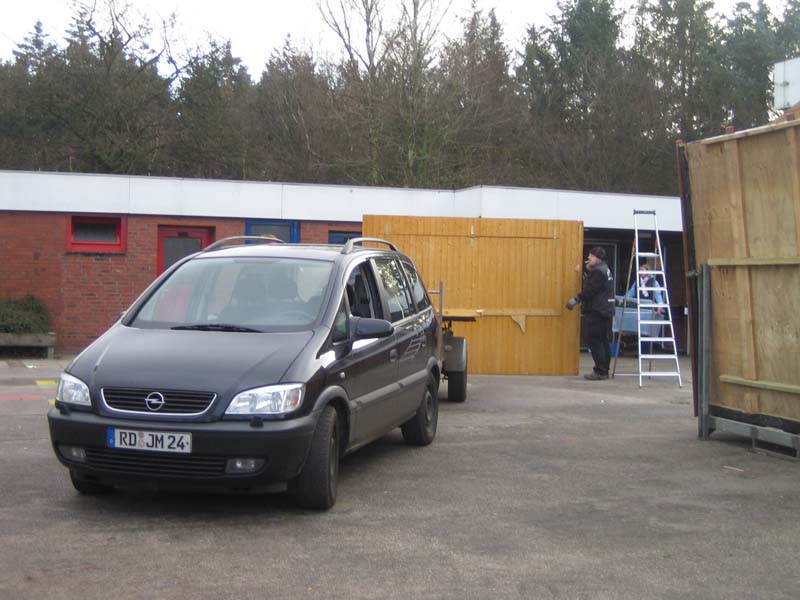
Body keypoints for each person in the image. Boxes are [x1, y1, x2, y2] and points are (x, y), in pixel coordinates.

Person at [565, 247, 615, 380]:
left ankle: (600, 371)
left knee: (595, 340)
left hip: (597, 310)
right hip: (606, 310)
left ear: (598, 258)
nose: (589, 258)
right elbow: (595, 283)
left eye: (591, 256)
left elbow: (590, 290)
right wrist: (583, 271)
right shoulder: (605, 269)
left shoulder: (599, 272)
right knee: (603, 340)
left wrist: (576, 300)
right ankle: (604, 370)